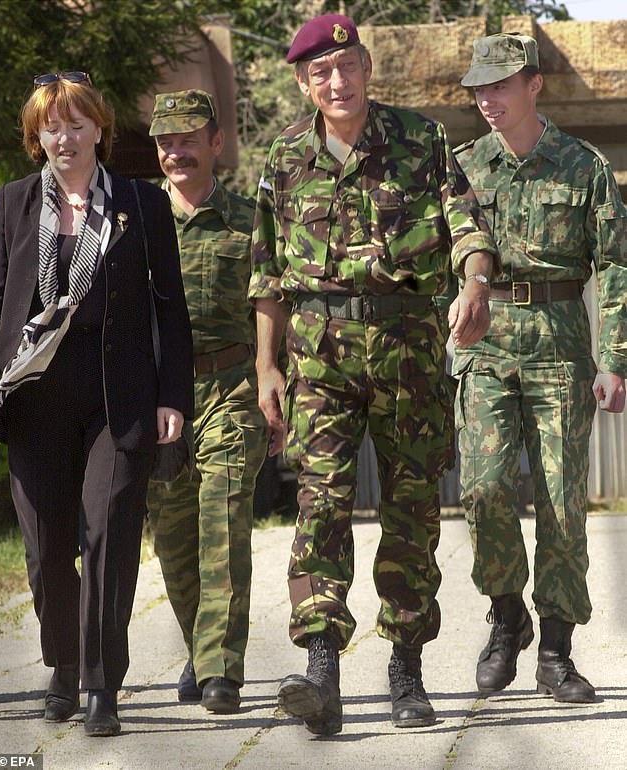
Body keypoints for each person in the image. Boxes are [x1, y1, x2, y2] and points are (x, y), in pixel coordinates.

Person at [248, 14, 499, 734]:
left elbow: (468, 228)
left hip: (408, 348)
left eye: (348, 65)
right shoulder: (285, 156)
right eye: (321, 72)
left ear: (367, 67)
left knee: (413, 510)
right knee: (320, 505)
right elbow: (267, 272)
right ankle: (322, 667)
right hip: (318, 355)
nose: (337, 80)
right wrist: (266, 366)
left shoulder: (421, 141)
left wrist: (476, 283)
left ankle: (407, 669)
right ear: (303, 82)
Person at [0, 72, 194, 736]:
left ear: (100, 130)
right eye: (52, 125)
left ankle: (102, 684)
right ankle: (61, 666)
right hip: (35, 394)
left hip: (120, 393)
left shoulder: (143, 203)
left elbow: (170, 308)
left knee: (107, 533)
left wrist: (172, 397)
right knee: (49, 548)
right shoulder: (12, 204)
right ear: (35, 137)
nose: (65, 136)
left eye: (78, 123)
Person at [454, 33, 627, 703]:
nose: (487, 99)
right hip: (487, 344)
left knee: (561, 505)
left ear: (534, 87)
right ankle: (506, 616)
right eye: (479, 88)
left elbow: (615, 266)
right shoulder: (464, 166)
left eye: (499, 85)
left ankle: (556, 651)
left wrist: (613, 358)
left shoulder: (583, 167)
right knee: (484, 489)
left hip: (558, 342)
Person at [146, 90, 267, 714]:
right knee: (173, 538)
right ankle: (201, 644)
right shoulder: (134, 223)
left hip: (232, 387)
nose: (177, 150)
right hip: (159, 397)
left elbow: (275, 309)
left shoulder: (249, 219)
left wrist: (276, 385)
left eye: (189, 137)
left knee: (222, 522)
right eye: (166, 141)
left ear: (217, 142)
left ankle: (221, 668)